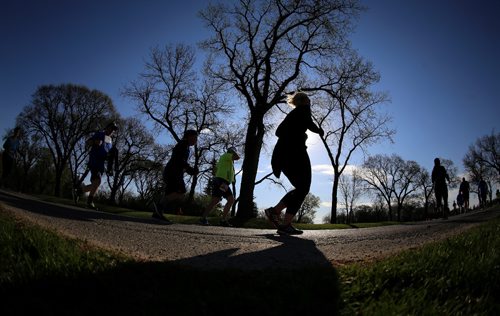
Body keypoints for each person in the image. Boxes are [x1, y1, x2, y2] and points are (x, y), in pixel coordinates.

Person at [265, 92, 324, 235]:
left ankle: (275, 212)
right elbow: (309, 124)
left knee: (301, 188)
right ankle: (284, 223)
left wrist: (298, 134)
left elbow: (279, 131)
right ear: (304, 101)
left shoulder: (293, 115)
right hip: (294, 154)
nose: (310, 102)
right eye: (308, 100)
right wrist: (319, 130)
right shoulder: (303, 111)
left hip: (283, 156)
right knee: (303, 187)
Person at [153, 129, 198, 223]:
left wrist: (190, 171)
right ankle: (159, 207)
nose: (196, 140)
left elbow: (181, 161)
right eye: (195, 137)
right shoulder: (183, 144)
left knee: (170, 193)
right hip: (173, 172)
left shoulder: (185, 146)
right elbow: (178, 159)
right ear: (189, 136)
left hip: (173, 172)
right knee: (181, 191)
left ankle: (157, 213)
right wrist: (190, 169)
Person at [75, 122, 118, 209]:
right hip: (94, 161)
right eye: (111, 128)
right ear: (106, 127)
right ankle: (89, 202)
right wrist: (95, 142)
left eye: (114, 130)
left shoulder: (110, 141)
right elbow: (88, 142)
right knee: (97, 182)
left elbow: (106, 153)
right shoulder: (99, 134)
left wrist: (110, 158)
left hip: (101, 165)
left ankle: (79, 191)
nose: (112, 131)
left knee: (96, 184)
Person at [200, 147, 240, 226]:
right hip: (222, 181)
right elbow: (237, 157)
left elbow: (214, 171)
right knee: (231, 199)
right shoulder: (228, 155)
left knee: (215, 200)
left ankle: (203, 218)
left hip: (217, 180)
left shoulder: (223, 159)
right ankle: (223, 220)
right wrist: (233, 152)